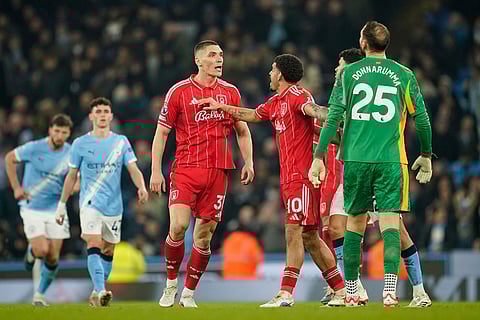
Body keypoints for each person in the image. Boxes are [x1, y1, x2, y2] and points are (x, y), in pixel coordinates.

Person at [198, 53, 345, 307]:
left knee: (293, 232)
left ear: (281, 74)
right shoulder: (276, 102)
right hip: (289, 180)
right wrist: (221, 107)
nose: (269, 73)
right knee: (310, 236)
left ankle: (286, 293)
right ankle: (341, 290)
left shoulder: (299, 96)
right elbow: (253, 115)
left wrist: (328, 114)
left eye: (272, 69)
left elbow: (313, 110)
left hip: (302, 178)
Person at [310, 21, 433, 307]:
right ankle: (390, 292)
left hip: (355, 159)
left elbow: (332, 118)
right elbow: (423, 119)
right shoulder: (404, 74)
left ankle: (351, 290)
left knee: (354, 224)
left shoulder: (348, 73)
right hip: (391, 159)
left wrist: (318, 156)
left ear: (363, 43)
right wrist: (426, 154)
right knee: (391, 225)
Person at [150, 40, 254, 308]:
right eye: (212, 55)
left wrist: (249, 162)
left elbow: (242, 129)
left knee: (204, 236)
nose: (219, 59)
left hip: (219, 172)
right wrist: (155, 171)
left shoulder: (230, 92)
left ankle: (188, 293)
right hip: (185, 169)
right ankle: (171, 282)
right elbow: (162, 133)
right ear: (198, 61)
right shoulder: (179, 92)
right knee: (178, 226)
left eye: (221, 54)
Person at [55, 97, 148, 307]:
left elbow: (133, 168)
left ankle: (97, 292)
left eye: (106, 111)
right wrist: (61, 205)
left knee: (108, 251)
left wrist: (141, 187)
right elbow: (71, 176)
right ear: (91, 117)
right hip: (89, 204)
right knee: (94, 243)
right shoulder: (79, 144)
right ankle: (99, 290)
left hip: (113, 207)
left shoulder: (121, 142)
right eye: (98, 111)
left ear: (111, 116)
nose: (102, 114)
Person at [4, 114, 76, 306]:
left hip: (56, 209)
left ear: (68, 134)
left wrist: (74, 188)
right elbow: (10, 158)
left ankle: (39, 296)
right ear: (50, 130)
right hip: (32, 207)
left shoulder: (71, 153)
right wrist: (16, 187)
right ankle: (31, 251)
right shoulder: (35, 147)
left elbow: (77, 180)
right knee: (42, 249)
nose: (60, 135)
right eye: (57, 130)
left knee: (53, 257)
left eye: (64, 132)